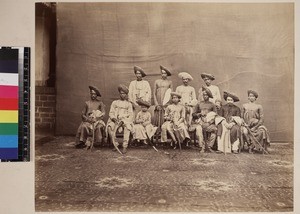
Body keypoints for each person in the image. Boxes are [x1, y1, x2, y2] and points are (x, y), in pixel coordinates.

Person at [106, 84, 134, 154]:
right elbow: (111, 113)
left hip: (125, 121)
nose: (122, 95)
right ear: (119, 94)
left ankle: (125, 146)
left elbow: (131, 116)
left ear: (126, 94)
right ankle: (115, 144)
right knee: (109, 127)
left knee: (127, 127)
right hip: (115, 120)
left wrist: (123, 121)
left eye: (124, 94)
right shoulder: (115, 103)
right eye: (121, 93)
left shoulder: (128, 104)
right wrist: (114, 119)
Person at [191, 86, 217, 152]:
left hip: (209, 122)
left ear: (209, 96)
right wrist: (199, 114)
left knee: (215, 130)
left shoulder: (212, 105)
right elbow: (193, 114)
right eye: (204, 95)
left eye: (206, 95)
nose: (205, 96)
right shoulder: (199, 104)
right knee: (199, 129)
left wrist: (209, 122)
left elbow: (215, 115)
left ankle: (209, 146)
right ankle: (202, 146)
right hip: (200, 122)